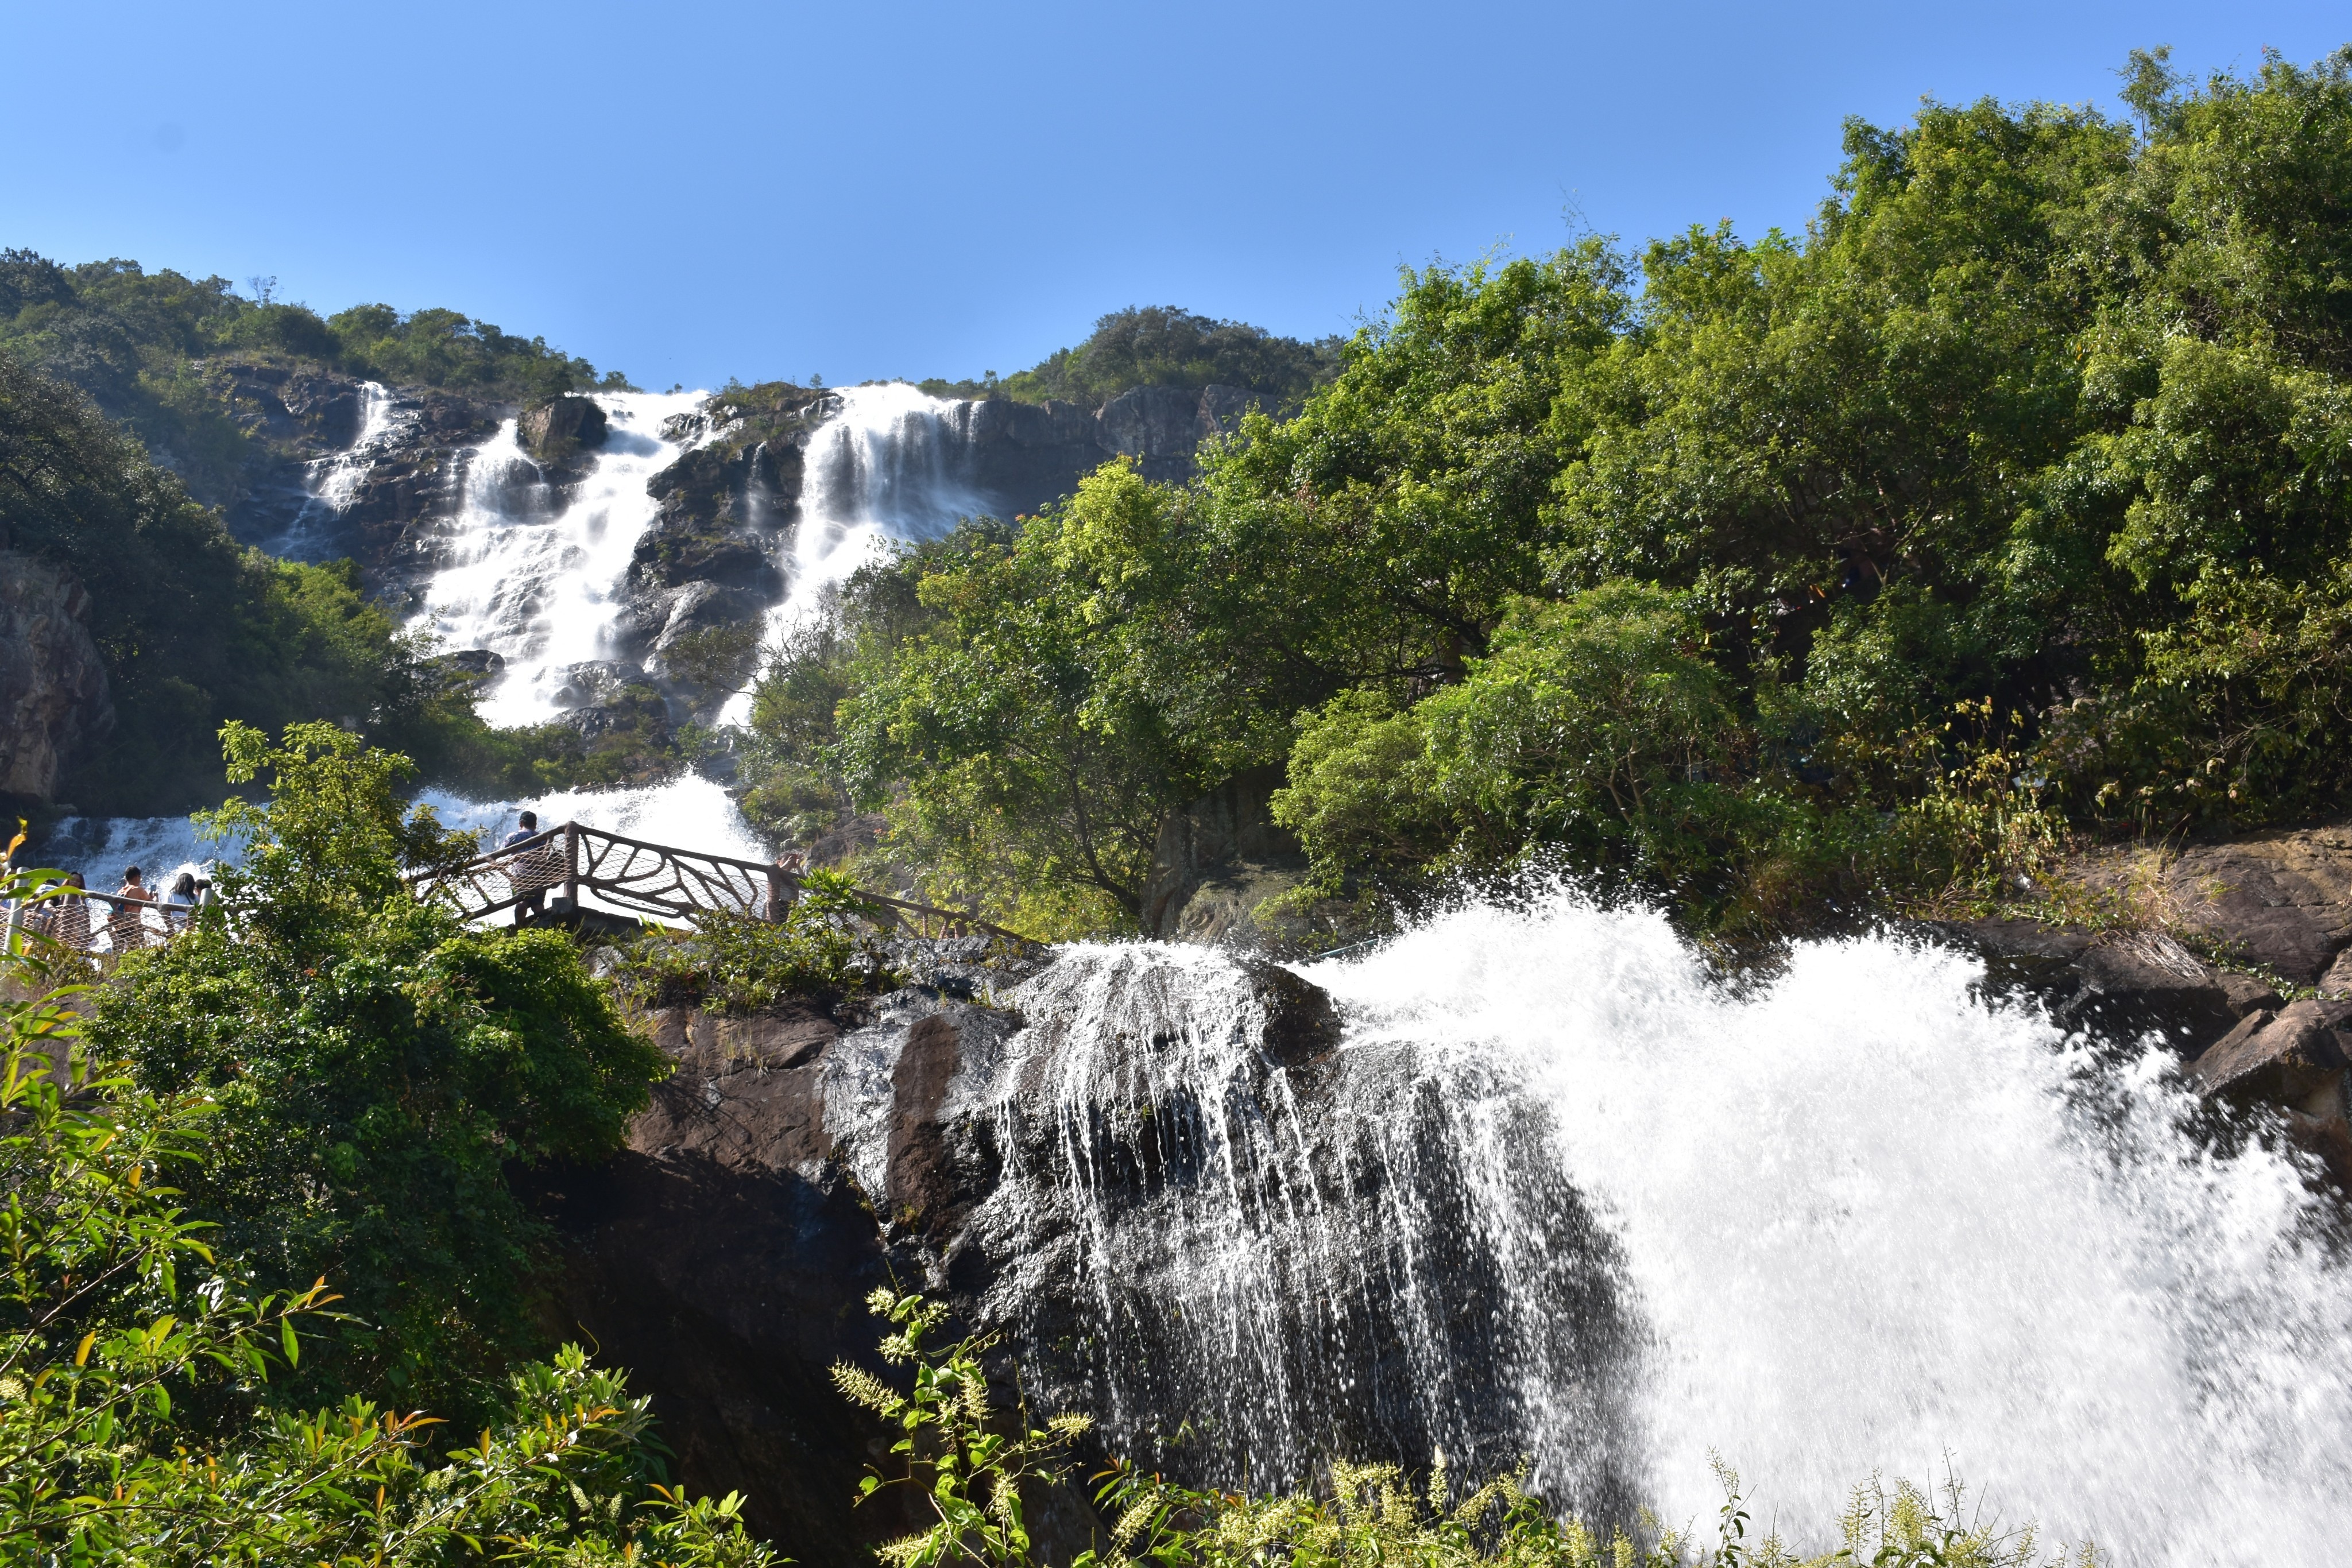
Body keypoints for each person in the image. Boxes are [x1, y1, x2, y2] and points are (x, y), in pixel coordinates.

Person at [500, 811, 550, 926]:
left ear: (521, 823)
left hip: (520, 875)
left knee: (521, 900)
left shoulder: (513, 837)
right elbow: (546, 855)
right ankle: (544, 930)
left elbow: (501, 853)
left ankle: (519, 927)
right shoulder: (543, 838)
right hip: (540, 875)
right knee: (538, 904)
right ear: (535, 824)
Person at [109, 865, 154, 953]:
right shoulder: (138, 890)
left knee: (119, 952)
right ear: (137, 877)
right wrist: (155, 897)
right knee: (134, 953)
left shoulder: (121, 891)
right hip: (133, 927)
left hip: (119, 927)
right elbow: (153, 903)